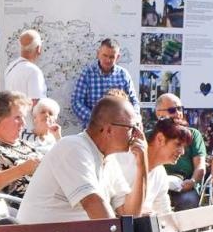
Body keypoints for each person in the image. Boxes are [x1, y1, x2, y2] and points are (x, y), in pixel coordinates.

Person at [16, 94, 150, 224]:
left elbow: (130, 213)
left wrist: (142, 164)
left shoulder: (109, 159)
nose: (137, 134)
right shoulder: (74, 147)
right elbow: (94, 204)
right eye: (132, 128)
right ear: (108, 130)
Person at [0, 90, 45, 198]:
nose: (23, 123)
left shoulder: (27, 145)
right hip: (23, 211)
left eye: (24, 117)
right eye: (18, 117)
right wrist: (22, 169)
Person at [154, 93, 207, 209]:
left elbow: (200, 166)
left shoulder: (192, 134)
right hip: (155, 185)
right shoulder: (151, 136)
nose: (178, 113)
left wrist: (192, 182)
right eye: (173, 110)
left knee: (188, 200)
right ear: (158, 113)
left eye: (180, 109)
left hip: (185, 187)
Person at [69, 39, 134, 126]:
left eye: (112, 57)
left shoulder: (123, 75)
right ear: (98, 54)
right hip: (93, 128)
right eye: (105, 55)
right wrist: (95, 118)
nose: (107, 60)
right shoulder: (87, 74)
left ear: (117, 57)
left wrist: (133, 118)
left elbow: (134, 101)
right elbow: (76, 102)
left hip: (118, 128)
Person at [5, 29, 47, 124]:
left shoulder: (10, 67)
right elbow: (36, 105)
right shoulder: (34, 71)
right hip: (30, 130)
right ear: (38, 49)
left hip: (15, 124)